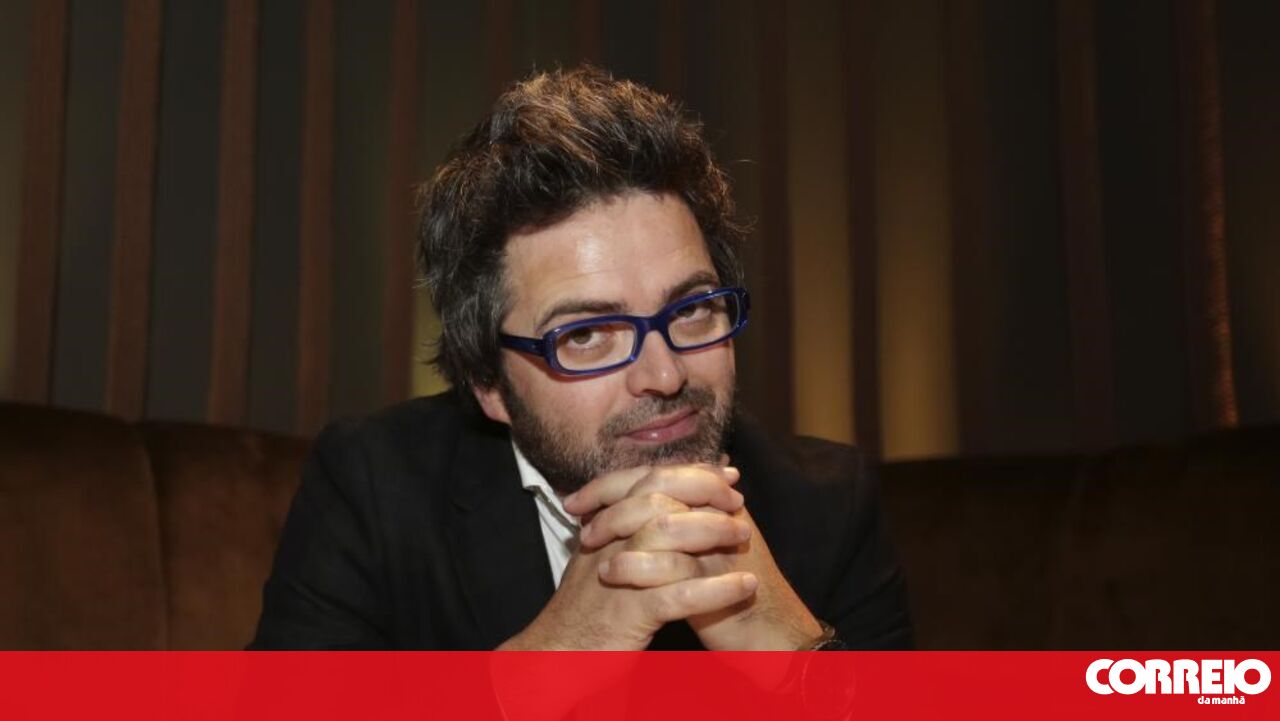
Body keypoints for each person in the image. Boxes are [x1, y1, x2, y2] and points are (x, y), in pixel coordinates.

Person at [250, 67, 911, 651]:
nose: (665, 374)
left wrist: (792, 653)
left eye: (690, 310)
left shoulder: (826, 504)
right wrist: (558, 655)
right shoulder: (374, 489)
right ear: (489, 382)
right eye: (587, 335)